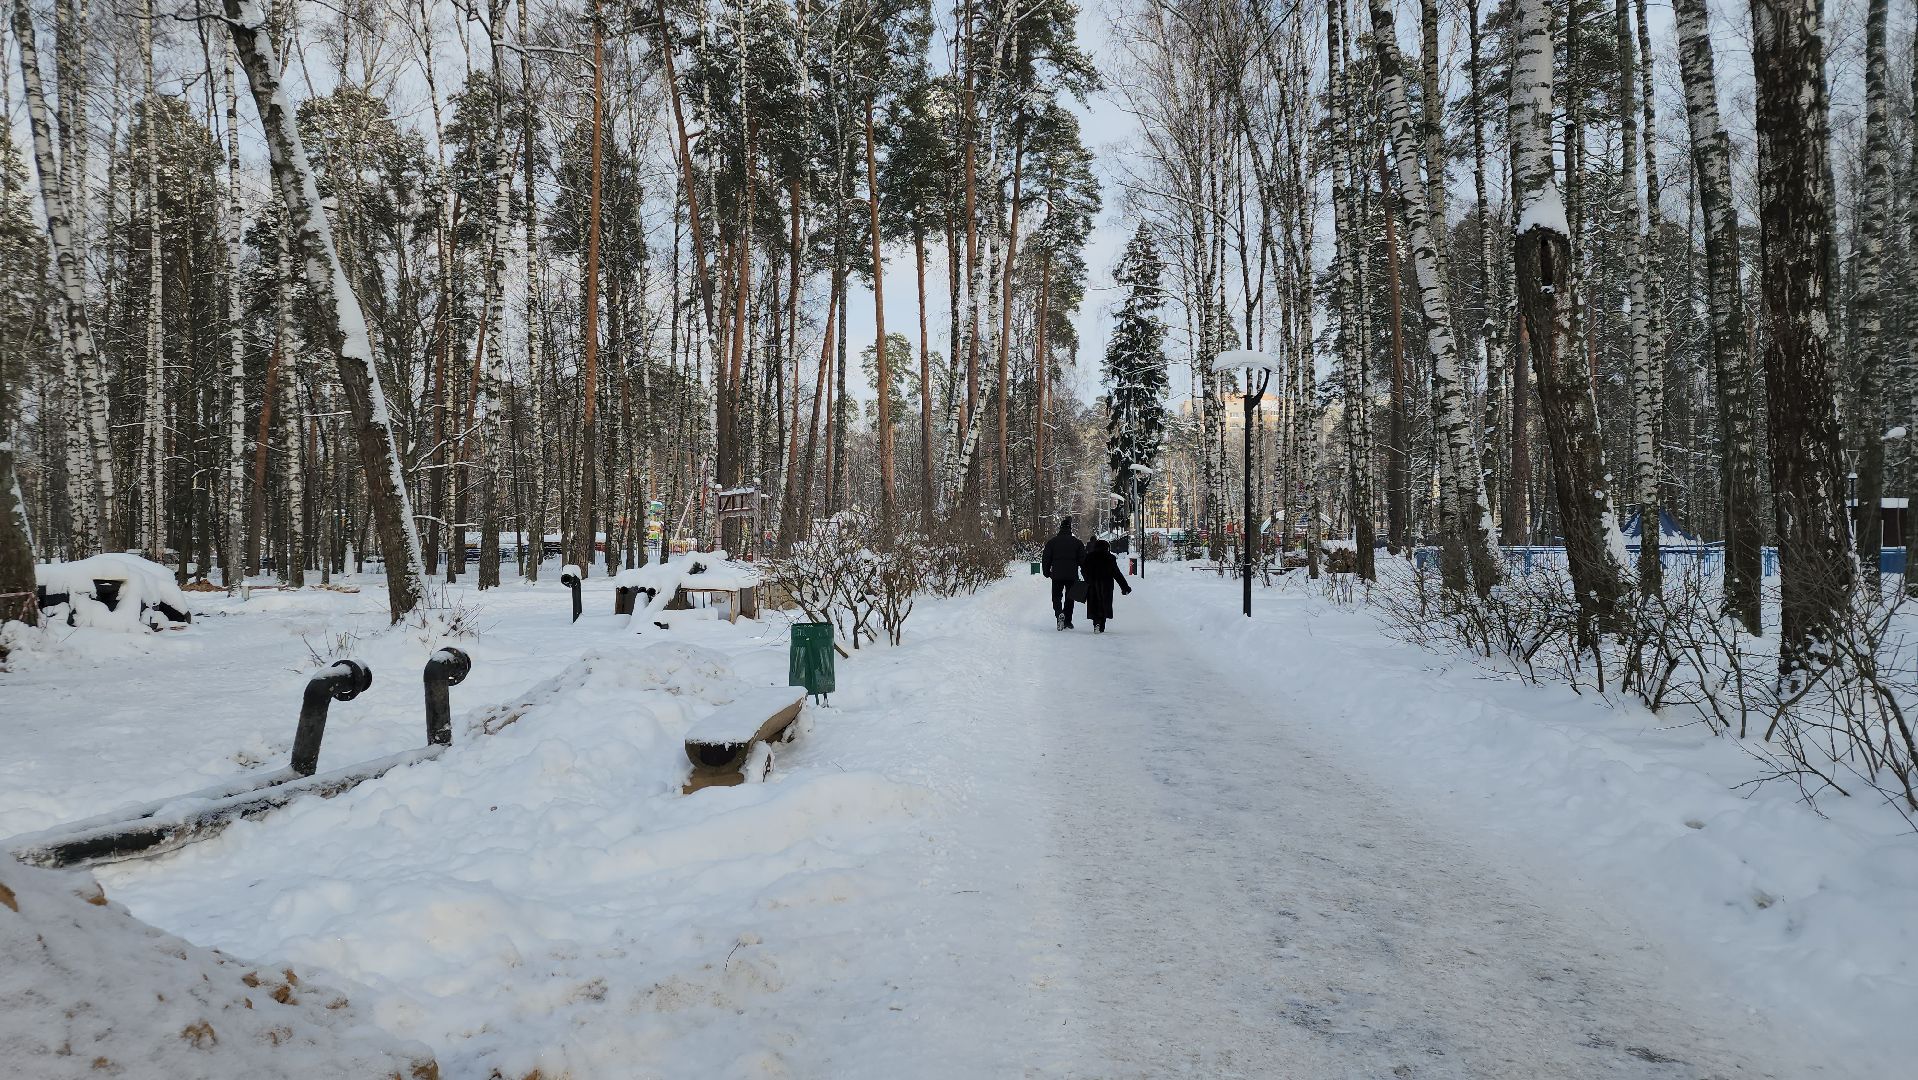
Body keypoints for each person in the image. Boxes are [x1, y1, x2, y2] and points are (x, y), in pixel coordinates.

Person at [1040, 517, 1086, 630]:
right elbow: (1083, 561)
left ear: (1060, 529)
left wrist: (1046, 572)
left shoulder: (1052, 542)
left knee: (1056, 597)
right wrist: (1085, 574)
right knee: (1070, 597)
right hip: (1072, 574)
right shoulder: (1077, 543)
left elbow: (1046, 558)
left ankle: (1059, 614)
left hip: (1057, 574)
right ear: (1070, 530)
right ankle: (1068, 621)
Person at [1080, 537, 1132, 633]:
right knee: (1104, 603)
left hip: (1092, 584)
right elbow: (1117, 573)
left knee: (1094, 603)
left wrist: (1088, 579)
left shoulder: (1089, 557)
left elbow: (1083, 570)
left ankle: (1096, 623)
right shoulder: (1110, 558)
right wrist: (1125, 587)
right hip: (1106, 584)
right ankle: (1102, 625)